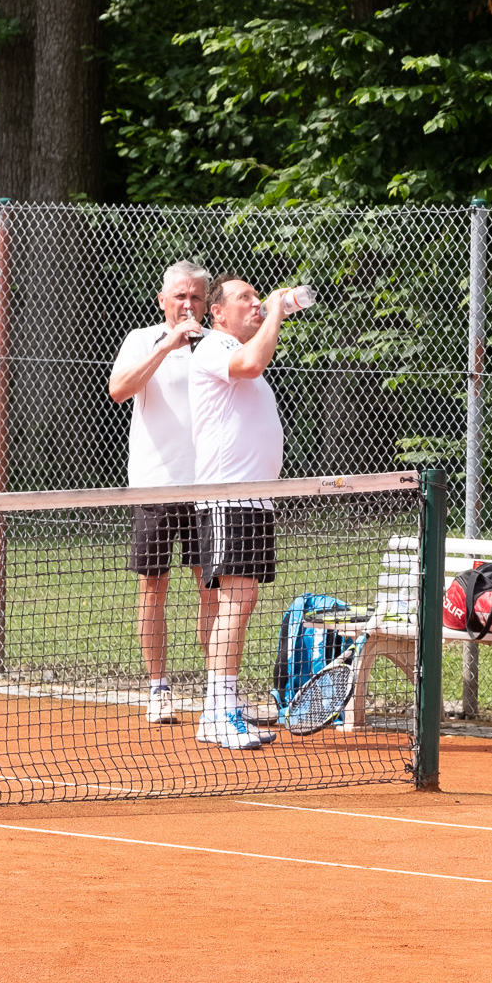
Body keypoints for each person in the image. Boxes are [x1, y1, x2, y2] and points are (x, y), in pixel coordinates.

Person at [108, 260, 218, 726]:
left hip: (211, 486)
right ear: (163, 300)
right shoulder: (140, 339)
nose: (187, 304)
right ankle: (158, 689)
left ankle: (219, 691)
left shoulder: (219, 345)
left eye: (195, 297)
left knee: (212, 589)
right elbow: (118, 389)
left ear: (207, 303)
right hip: (153, 485)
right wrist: (168, 345)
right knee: (153, 588)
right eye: (180, 296)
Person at [188, 273, 291, 750]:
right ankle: (218, 713)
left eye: (257, 297)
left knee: (242, 602)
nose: (255, 303)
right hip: (228, 499)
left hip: (252, 502)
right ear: (218, 313)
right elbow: (250, 363)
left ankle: (222, 707)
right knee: (235, 602)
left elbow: (254, 362)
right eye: (244, 299)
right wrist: (275, 310)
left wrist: (270, 314)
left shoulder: (239, 354)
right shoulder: (213, 347)